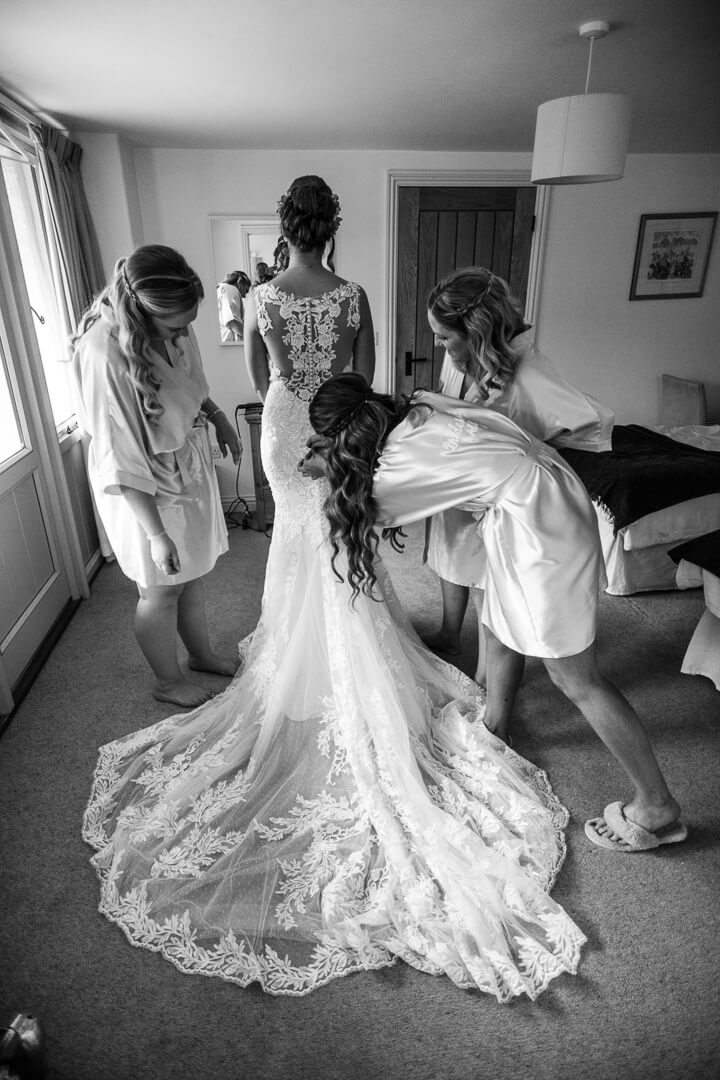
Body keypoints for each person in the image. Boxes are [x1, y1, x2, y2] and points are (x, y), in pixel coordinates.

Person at [82, 178, 586, 1003]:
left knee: (293, 540)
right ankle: (350, 638)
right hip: (341, 419)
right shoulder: (351, 294)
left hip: (285, 425)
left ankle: (296, 655)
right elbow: (371, 370)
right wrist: (341, 403)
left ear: (285, 231)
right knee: (340, 532)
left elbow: (257, 373)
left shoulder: (265, 295)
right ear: (334, 228)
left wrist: (281, 375)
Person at [306, 373, 686, 855]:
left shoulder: (403, 462)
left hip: (539, 525)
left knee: (575, 676)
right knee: (496, 615)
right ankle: (496, 724)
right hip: (538, 498)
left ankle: (657, 805)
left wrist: (329, 470)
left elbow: (369, 508)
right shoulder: (418, 408)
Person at [423, 268, 614, 720]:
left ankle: (498, 709)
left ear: (475, 331)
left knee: (568, 670)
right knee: (497, 621)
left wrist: (537, 454)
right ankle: (493, 713)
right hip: (500, 511)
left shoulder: (531, 373)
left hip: (537, 520)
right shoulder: (485, 362)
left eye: (444, 337)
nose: (438, 346)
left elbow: (593, 425)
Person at [72, 244, 241, 708]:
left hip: (181, 470)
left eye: (188, 322)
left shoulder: (172, 323)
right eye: (174, 325)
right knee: (159, 589)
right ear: (141, 312)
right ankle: (167, 681)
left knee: (189, 577)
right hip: (140, 488)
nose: (185, 332)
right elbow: (118, 457)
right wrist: (156, 533)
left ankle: (201, 654)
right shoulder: (104, 355)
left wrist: (217, 414)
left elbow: (186, 384)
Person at [217, 270, 251, 343]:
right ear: (240, 282)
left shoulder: (221, 289)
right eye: (246, 290)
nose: (244, 295)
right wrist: (252, 338)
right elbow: (233, 322)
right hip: (232, 343)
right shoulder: (230, 289)